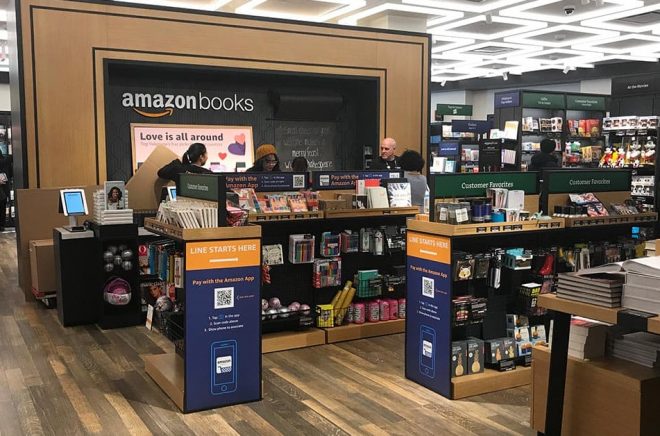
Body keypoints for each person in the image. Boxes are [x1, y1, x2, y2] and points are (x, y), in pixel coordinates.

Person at [0, 150, 11, 231]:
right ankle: (2, 225)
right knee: (3, 206)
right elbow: (10, 174)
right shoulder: (7, 160)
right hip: (4, 188)